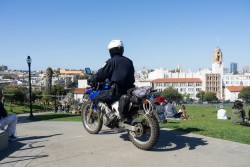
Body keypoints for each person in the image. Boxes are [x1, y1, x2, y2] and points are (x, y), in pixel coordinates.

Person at [88, 40, 135, 121]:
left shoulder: (111, 61)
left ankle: (111, 117)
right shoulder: (129, 61)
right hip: (129, 90)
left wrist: (92, 79)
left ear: (111, 51)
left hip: (117, 91)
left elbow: (101, 74)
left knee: (95, 98)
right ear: (122, 50)